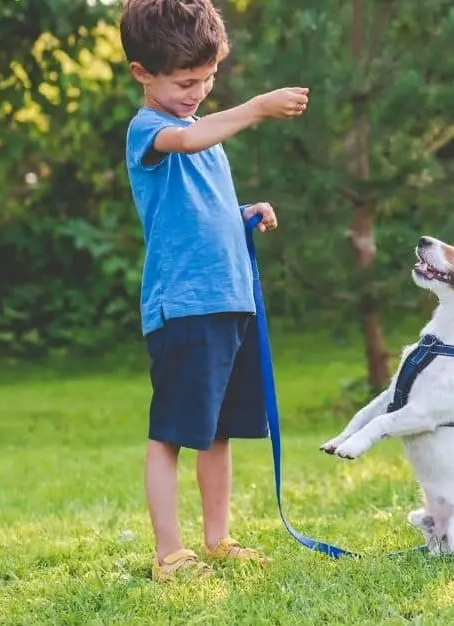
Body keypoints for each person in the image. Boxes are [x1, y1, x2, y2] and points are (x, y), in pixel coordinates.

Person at [118, 0, 310, 581]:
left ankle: (217, 538)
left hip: (230, 300)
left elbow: (201, 204)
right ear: (141, 74)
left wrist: (244, 214)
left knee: (218, 432)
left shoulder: (205, 134)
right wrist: (253, 107)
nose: (198, 91)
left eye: (208, 79)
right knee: (173, 433)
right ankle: (169, 552)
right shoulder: (149, 129)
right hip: (185, 307)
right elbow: (188, 141)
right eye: (185, 82)